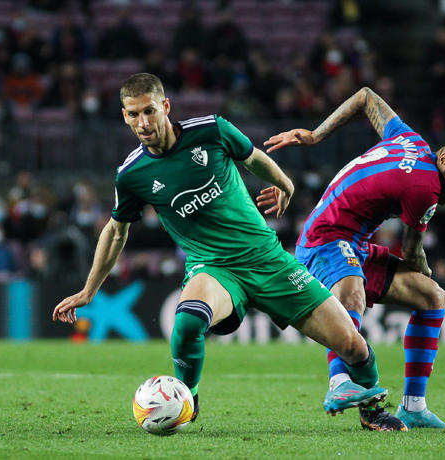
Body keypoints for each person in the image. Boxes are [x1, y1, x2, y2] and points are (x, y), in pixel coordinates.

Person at [52, 73, 398, 430]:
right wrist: (88, 290)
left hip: (268, 261)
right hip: (214, 268)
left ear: (165, 107)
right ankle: (187, 400)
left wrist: (283, 182)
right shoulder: (132, 175)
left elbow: (253, 158)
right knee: (187, 323)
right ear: (124, 116)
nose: (143, 123)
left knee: (353, 346)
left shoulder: (211, 130)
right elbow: (115, 231)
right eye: (133, 114)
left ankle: (373, 412)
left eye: (149, 111)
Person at [263, 86, 445, 429]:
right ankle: (339, 382)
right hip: (325, 237)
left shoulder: (409, 139)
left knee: (432, 296)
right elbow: (411, 252)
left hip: (354, 244)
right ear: (443, 158)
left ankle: (413, 406)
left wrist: (316, 134)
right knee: (352, 288)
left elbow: (366, 97)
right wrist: (425, 268)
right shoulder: (425, 189)